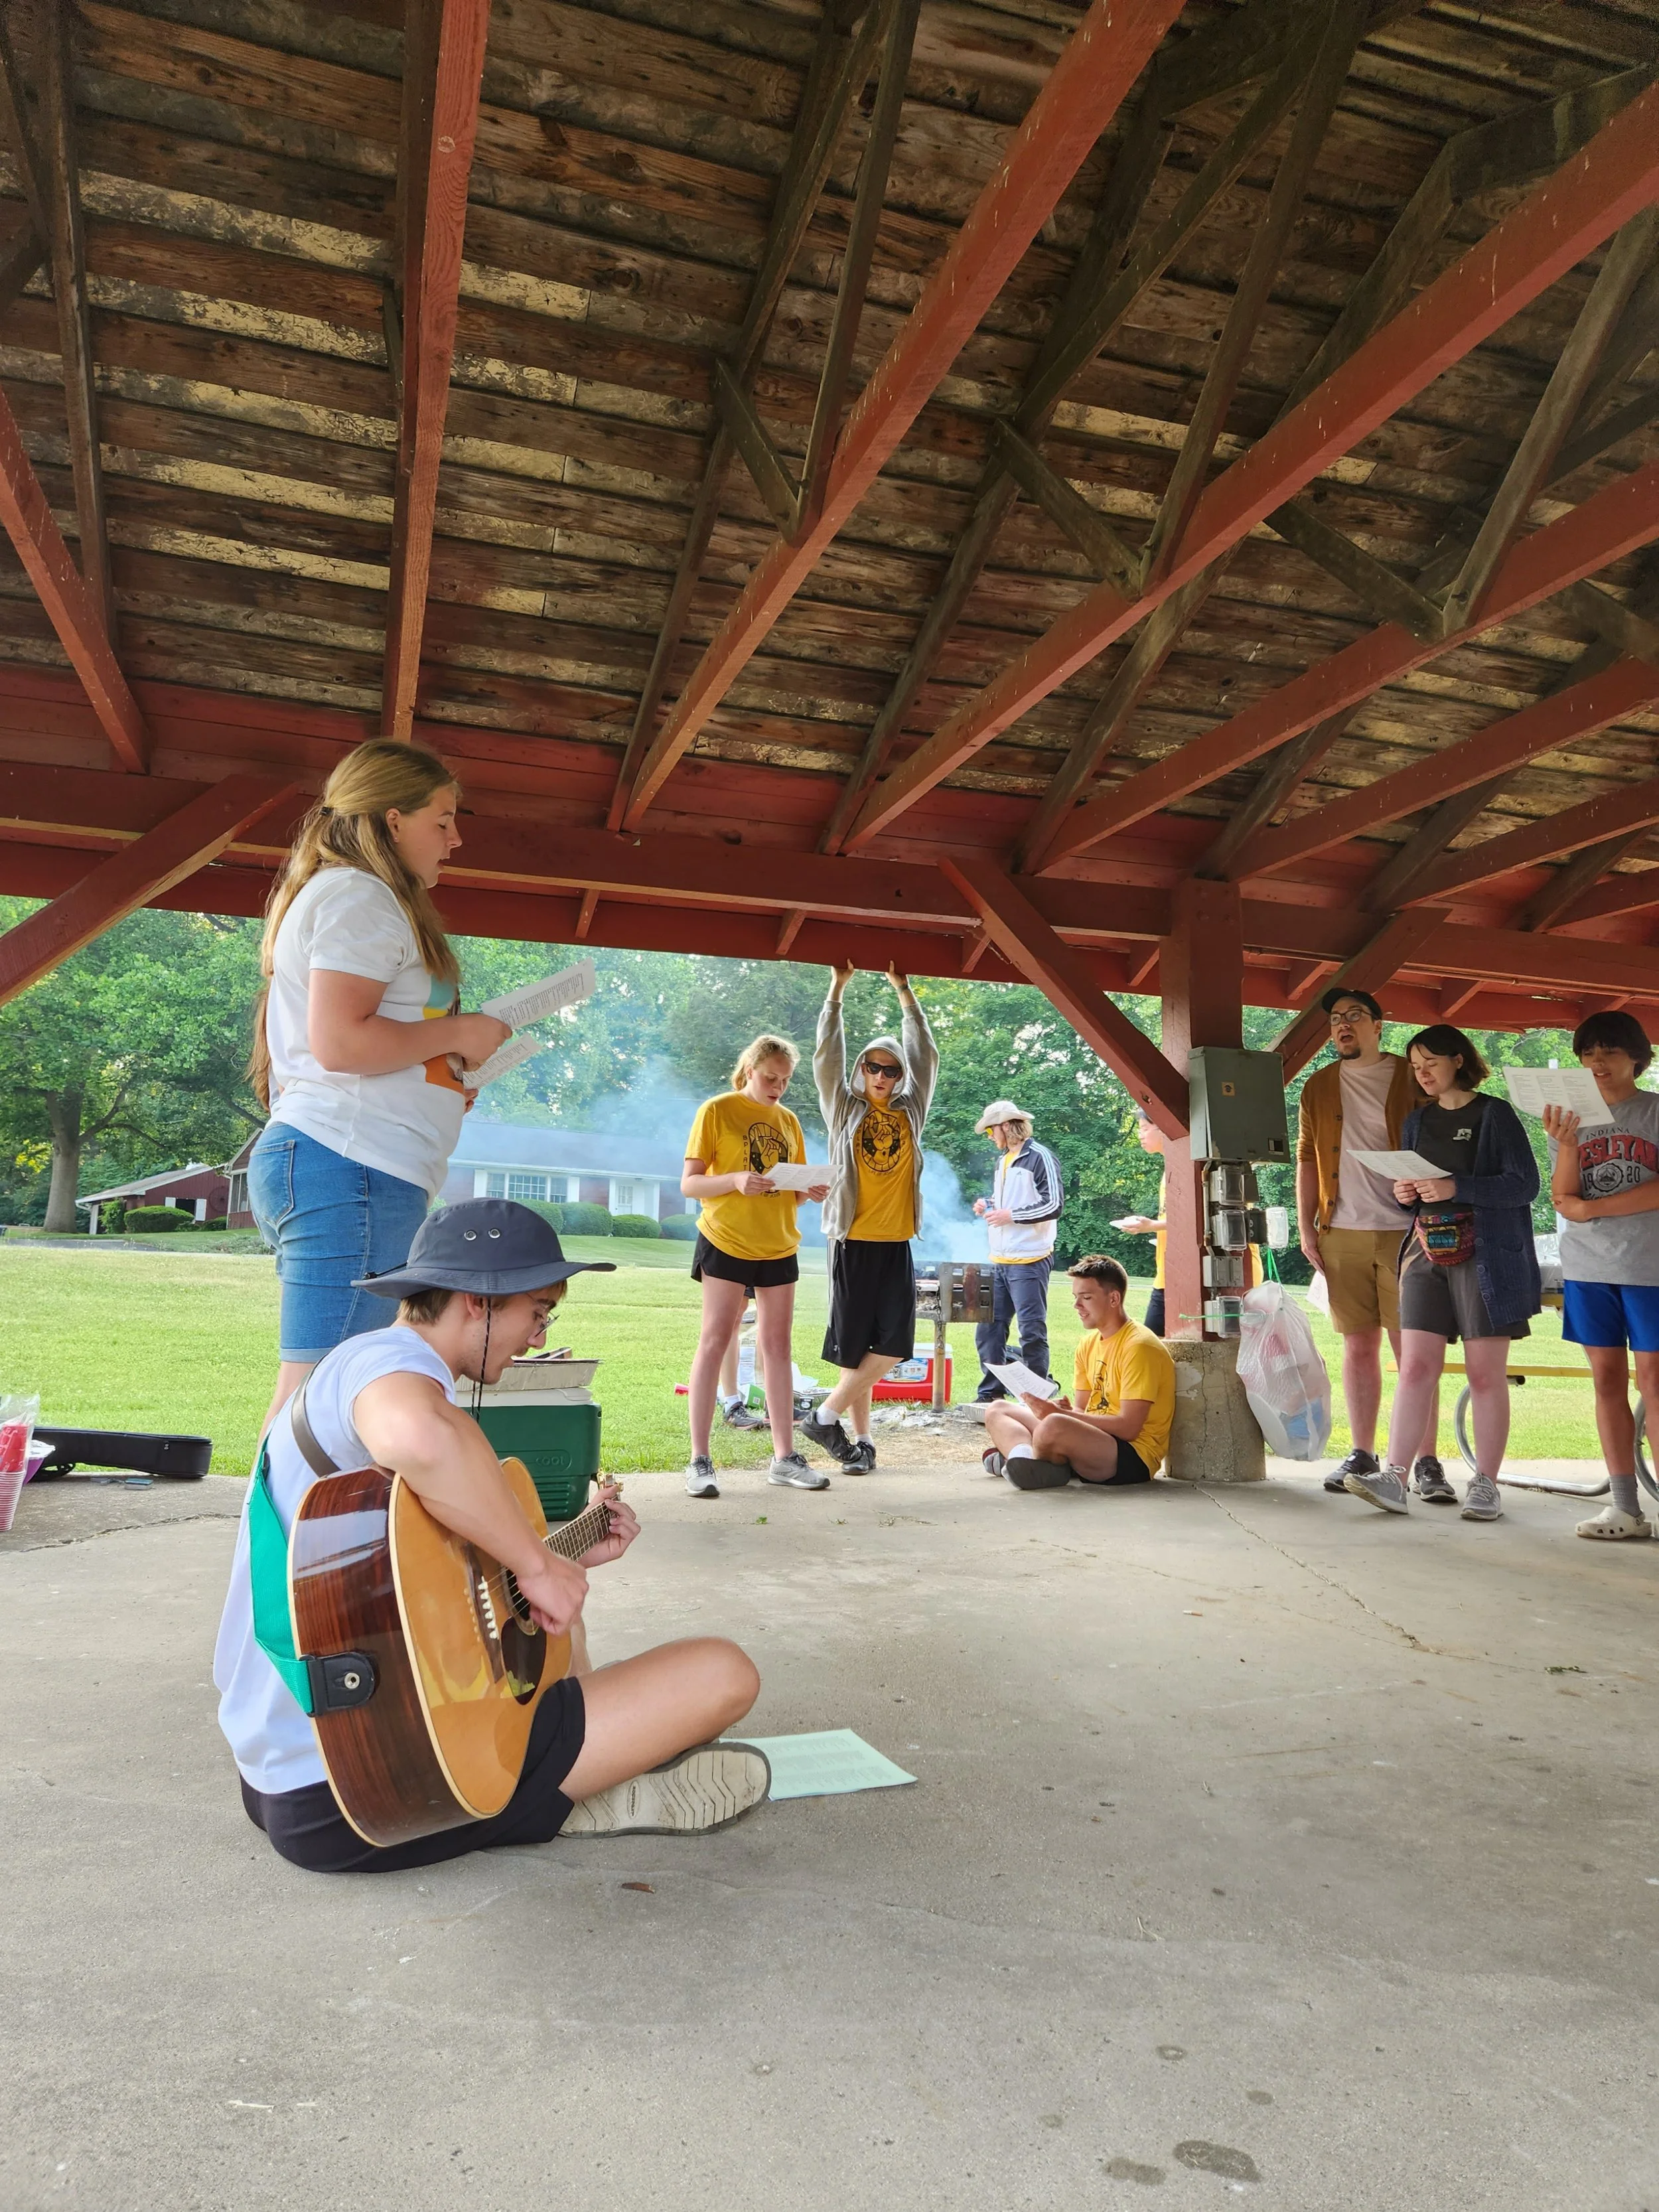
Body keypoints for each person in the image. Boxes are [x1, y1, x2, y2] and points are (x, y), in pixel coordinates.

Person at [216, 1200, 770, 1872]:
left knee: (556, 1630)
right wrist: (534, 1565)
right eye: (537, 1312)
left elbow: (415, 1575)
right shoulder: (385, 1362)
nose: (539, 1337)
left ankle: (575, 1772)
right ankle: (584, 1791)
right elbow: (417, 1438)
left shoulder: (352, 1376)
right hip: (378, 1789)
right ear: (478, 1302)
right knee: (723, 1673)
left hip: (289, 1783)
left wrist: (563, 1553)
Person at [246, 741, 512, 1430]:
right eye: (443, 819)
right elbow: (339, 1043)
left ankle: (317, 1539)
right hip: (350, 1167)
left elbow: (366, 1041)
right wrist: (457, 1035)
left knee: (345, 1386)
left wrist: (442, 1081)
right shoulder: (358, 895)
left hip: (358, 1167)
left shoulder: (359, 897)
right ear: (393, 820)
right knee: (318, 1396)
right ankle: (279, 1541)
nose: (457, 837)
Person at [1344, 1025, 1540, 1521]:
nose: (1423, 1072)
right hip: (1425, 1250)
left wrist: (1455, 1184)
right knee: (1413, 1367)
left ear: (1459, 1060)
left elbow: (1524, 1185)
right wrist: (1405, 1194)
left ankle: (1486, 1483)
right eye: (1415, 1066)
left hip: (1487, 1254)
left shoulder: (1494, 1113)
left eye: (1430, 1061)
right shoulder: (1417, 1121)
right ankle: (1395, 1476)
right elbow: (1411, 1190)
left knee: (1484, 1373)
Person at [1297, 986, 1445, 1500]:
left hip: (1409, 1231)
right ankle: (1362, 1451)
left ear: (1379, 1025)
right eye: (1336, 1018)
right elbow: (1307, 1157)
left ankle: (1425, 1461)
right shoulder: (1317, 1086)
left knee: (1414, 1352)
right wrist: (1306, 1225)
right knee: (1359, 1346)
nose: (1343, 1024)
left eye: (1355, 1016)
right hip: (1342, 1230)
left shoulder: (1413, 1077)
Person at [798, 961, 938, 1471]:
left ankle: (825, 1415)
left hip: (896, 1240)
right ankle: (860, 1443)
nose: (881, 1075)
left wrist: (904, 990)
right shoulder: (844, 1106)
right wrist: (836, 990)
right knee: (855, 1349)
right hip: (852, 1240)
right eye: (873, 1067)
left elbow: (925, 1051)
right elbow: (825, 1056)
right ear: (862, 1071)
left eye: (891, 1069)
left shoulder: (910, 1108)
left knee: (896, 1343)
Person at [681, 1034, 831, 1498]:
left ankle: (784, 1457)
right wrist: (733, 1180)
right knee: (715, 1340)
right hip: (725, 1240)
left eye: (785, 1079)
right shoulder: (717, 1110)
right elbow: (690, 1184)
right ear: (751, 1069)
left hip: (779, 1246)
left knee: (778, 1348)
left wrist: (810, 1190)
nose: (778, 1086)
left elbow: (789, 1185)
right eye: (771, 1077)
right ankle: (700, 1460)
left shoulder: (788, 1121)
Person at [1543, 1011, 1659, 1542]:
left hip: (1651, 1266)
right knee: (1606, 1380)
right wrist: (1567, 1144)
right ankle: (1623, 1507)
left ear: (1637, 1056)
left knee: (1654, 1381)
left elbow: (1584, 1206)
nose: (1597, 1062)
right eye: (1588, 1053)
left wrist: (1595, 1210)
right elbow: (1563, 1198)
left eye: (1610, 1052)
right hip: (1589, 1268)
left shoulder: (1653, 1111)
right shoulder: (1569, 1120)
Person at [980, 1255, 1175, 1490]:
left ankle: (1025, 1459)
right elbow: (1082, 1410)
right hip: (1093, 1438)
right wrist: (1062, 1409)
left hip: (1131, 1454)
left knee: (1052, 1426)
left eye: (1086, 1298)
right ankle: (1022, 1460)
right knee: (997, 1409)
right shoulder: (1088, 1344)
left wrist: (1059, 1416)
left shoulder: (1140, 1346)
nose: (1077, 1306)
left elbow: (1129, 1428)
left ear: (1114, 1298)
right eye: (1076, 1298)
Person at [972, 1102, 1065, 1400]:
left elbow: (1054, 1205)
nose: (989, 1136)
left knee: (1031, 1332)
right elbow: (1009, 1202)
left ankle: (1036, 1397)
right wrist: (988, 1204)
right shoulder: (1004, 1161)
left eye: (990, 1129)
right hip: (999, 1260)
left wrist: (1010, 1216)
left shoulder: (1041, 1158)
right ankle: (990, 1394)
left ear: (1006, 1126)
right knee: (989, 1330)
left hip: (1030, 1261)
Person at [1118, 1108, 1169, 1335]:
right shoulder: (1168, 1168)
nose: (1140, 1135)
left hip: (1176, 1279)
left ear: (1164, 1128)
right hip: (1166, 1273)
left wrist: (1152, 1227)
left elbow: (1193, 1218)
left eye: (1144, 1129)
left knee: (1151, 1341)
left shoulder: (1185, 1166)